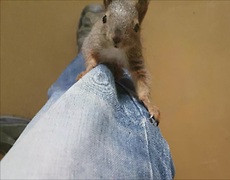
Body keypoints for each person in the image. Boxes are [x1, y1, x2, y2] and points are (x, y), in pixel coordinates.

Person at [0, 4, 175, 179]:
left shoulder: (134, 47)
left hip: (120, 56)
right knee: (92, 69)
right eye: (105, 20)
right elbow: (90, 49)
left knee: (69, 88)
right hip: (99, 52)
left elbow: (140, 72)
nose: (116, 38)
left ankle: (37, 131)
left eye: (135, 27)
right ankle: (39, 128)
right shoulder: (100, 35)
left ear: (137, 27)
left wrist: (145, 99)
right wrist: (91, 63)